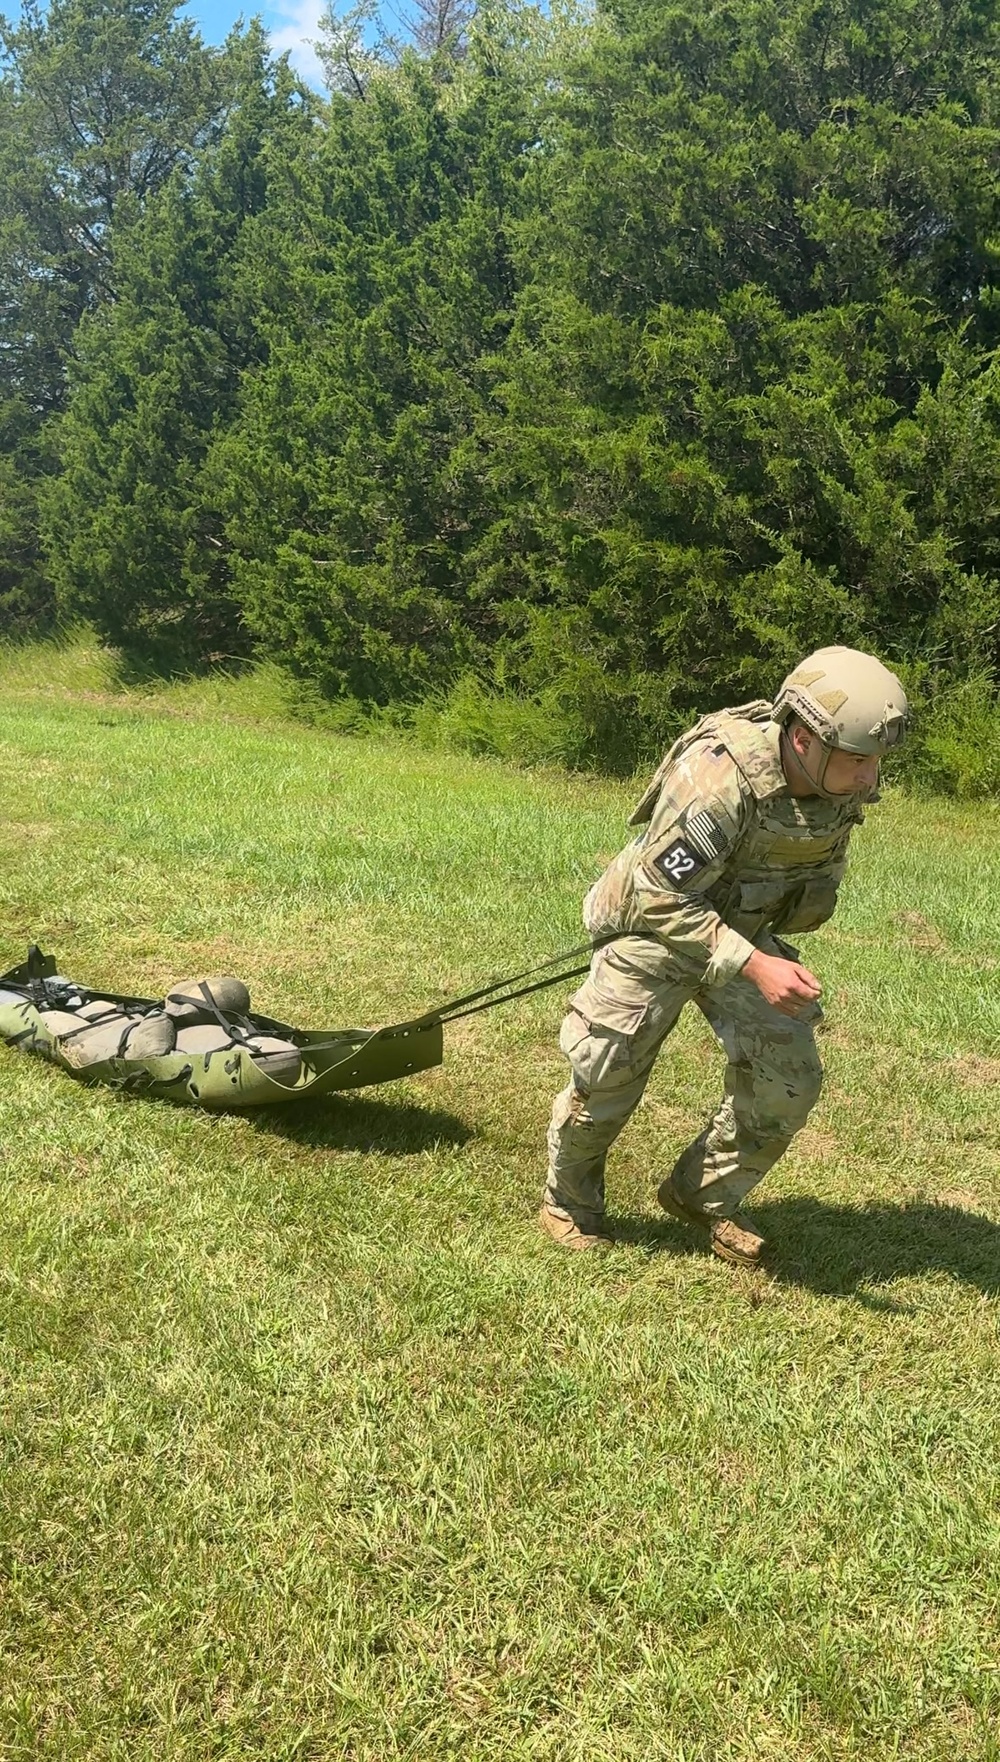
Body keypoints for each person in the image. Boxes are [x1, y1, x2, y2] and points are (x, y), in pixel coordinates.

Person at [540, 646, 908, 1266]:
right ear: (802, 738)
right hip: (652, 928)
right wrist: (755, 963)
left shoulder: (836, 783)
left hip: (739, 931)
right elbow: (659, 893)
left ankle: (701, 1195)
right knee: (609, 1067)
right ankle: (569, 1202)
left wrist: (758, 951)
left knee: (788, 1079)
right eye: (857, 762)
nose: (870, 780)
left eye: (875, 763)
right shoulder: (721, 778)